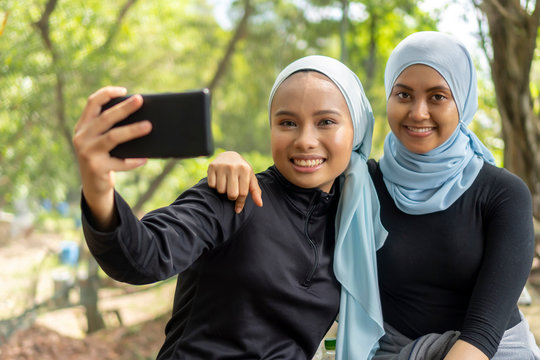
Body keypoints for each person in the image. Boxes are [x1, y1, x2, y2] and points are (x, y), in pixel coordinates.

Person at [206, 31, 540, 359]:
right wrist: (232, 161)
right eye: (404, 95)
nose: (418, 112)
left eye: (438, 97)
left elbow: (483, 334)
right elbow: (287, 190)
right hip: (390, 351)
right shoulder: (360, 184)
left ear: (463, 102)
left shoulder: (503, 193)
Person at [73, 55, 386, 359]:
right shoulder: (236, 195)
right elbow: (143, 257)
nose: (305, 140)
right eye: (288, 122)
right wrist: (98, 182)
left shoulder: (353, 223)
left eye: (326, 122)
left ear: (355, 130)